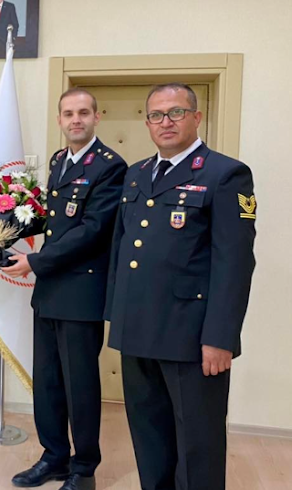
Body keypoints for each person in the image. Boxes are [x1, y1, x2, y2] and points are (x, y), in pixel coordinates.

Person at [105, 83, 256, 490]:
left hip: (192, 338)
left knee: (197, 447)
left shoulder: (225, 174)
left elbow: (235, 263)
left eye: (175, 112)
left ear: (196, 117)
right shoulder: (136, 174)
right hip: (137, 330)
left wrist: (220, 337)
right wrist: (115, 316)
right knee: (149, 438)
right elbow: (124, 249)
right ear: (147, 122)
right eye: (156, 115)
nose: (165, 122)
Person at [4, 89, 127, 490]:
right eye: (68, 113)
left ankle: (84, 468)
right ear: (59, 119)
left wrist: (35, 262)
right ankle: (54, 457)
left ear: (96, 117)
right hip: (50, 293)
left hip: (81, 294)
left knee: (80, 388)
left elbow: (92, 231)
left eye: (83, 113)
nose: (76, 120)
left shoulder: (110, 166)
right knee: (49, 383)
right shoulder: (60, 161)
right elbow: (54, 222)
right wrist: (3, 229)